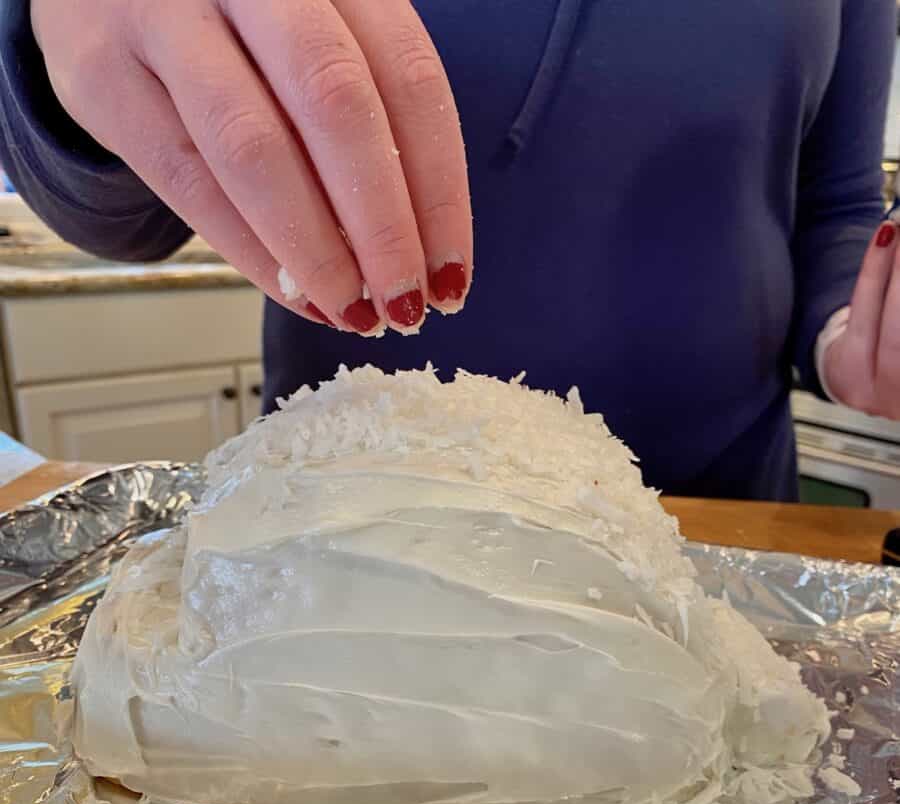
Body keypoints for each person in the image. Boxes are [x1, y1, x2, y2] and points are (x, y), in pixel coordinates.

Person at [0, 0, 897, 500]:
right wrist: (70, 42)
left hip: (719, 515)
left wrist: (852, 337)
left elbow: (836, 204)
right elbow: (125, 221)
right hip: (351, 517)